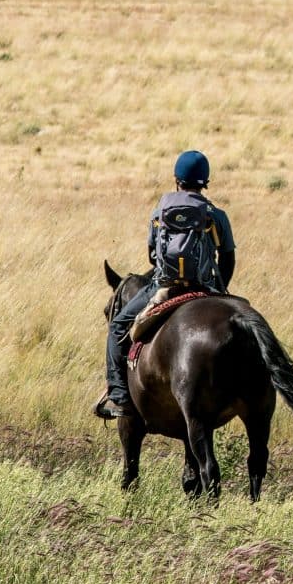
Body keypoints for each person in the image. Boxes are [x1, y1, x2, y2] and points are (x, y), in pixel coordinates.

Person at [95, 149, 236, 421]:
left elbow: (152, 255)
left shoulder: (160, 209)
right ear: (205, 181)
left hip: (164, 286)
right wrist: (219, 290)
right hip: (207, 287)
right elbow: (227, 258)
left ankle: (120, 397)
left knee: (118, 327)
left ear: (176, 179)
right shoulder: (216, 214)